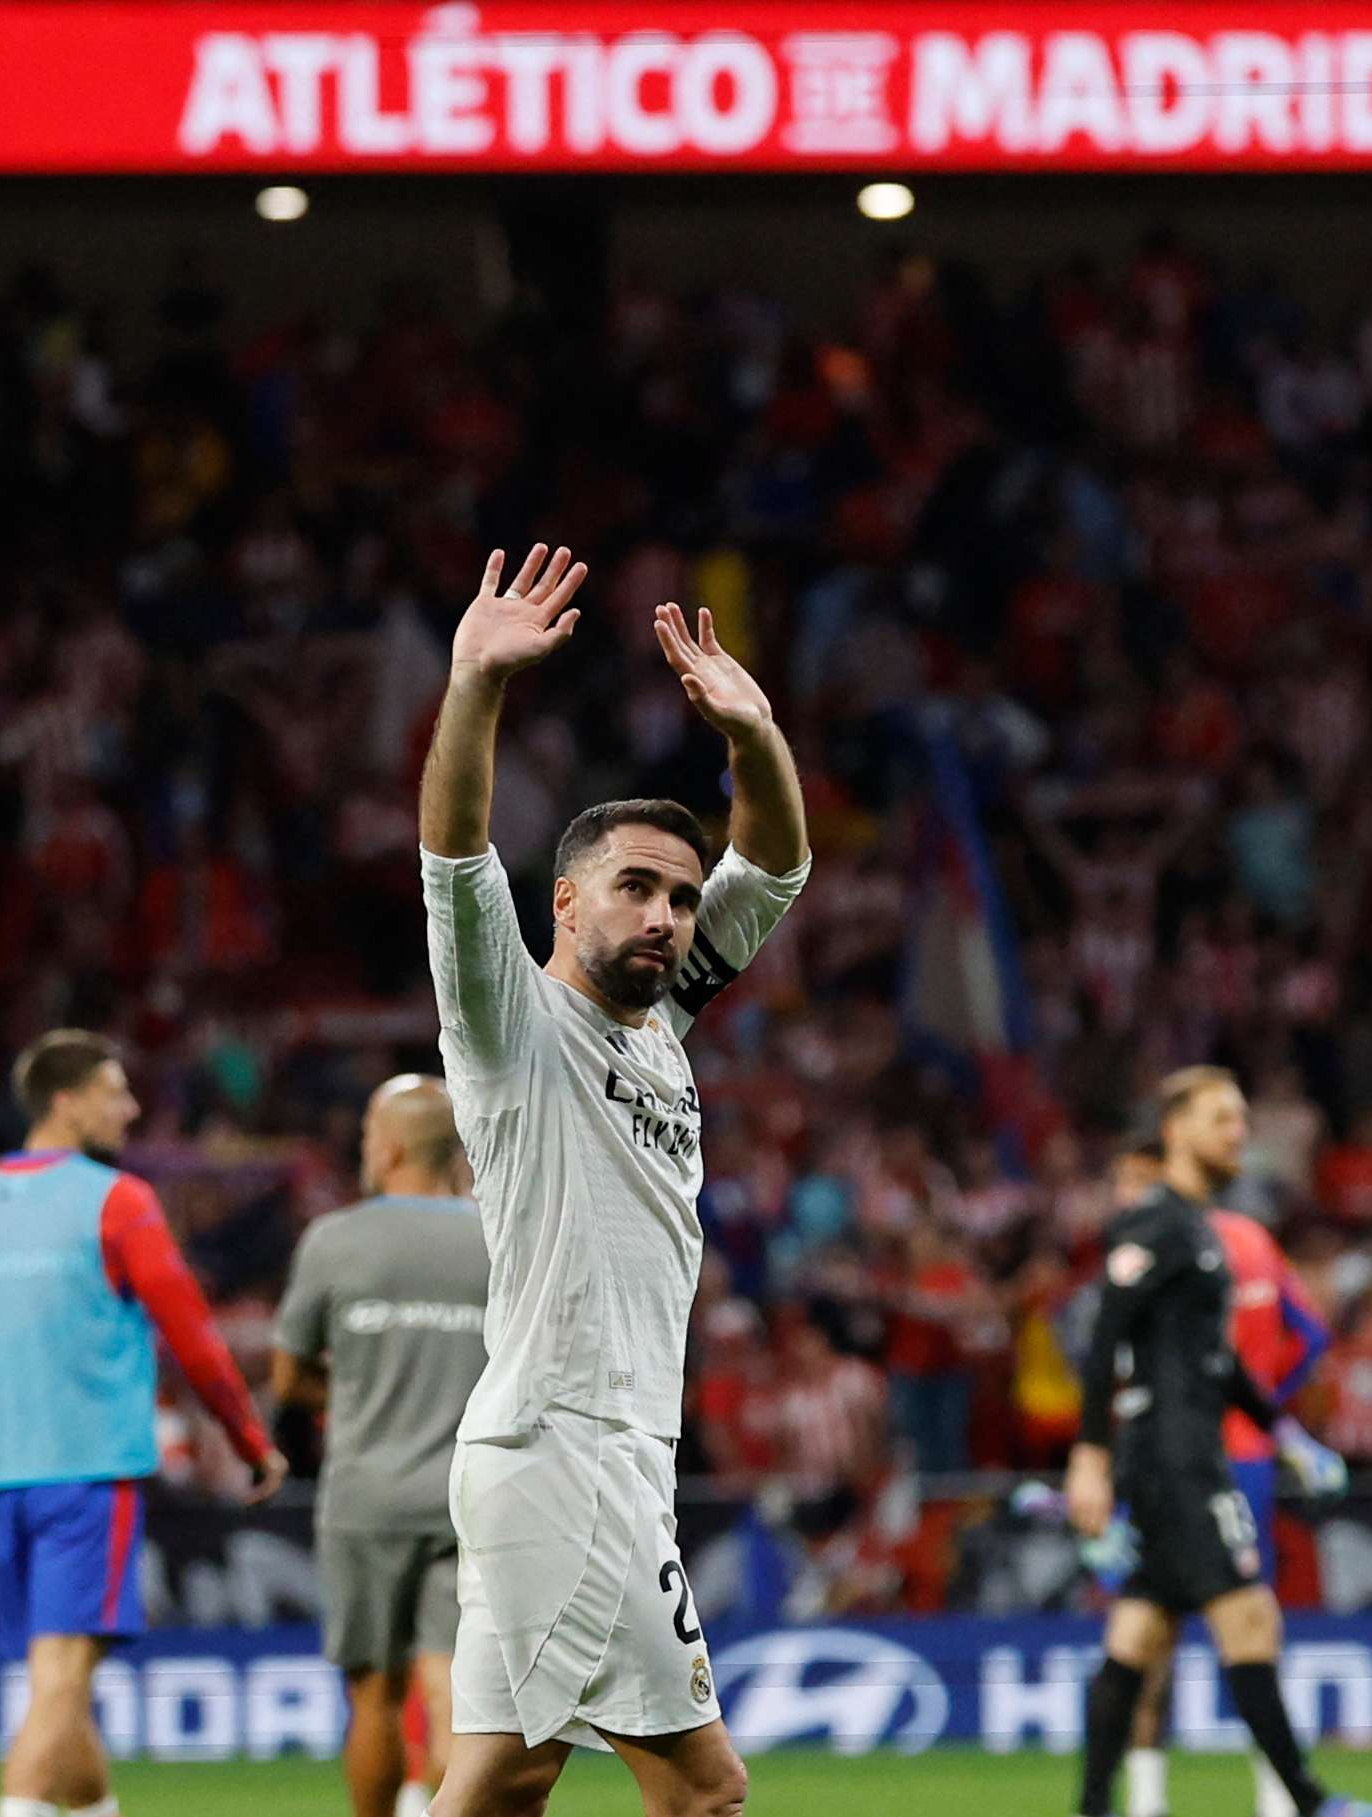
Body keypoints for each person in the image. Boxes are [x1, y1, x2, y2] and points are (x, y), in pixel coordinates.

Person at [417, 546, 810, 1817]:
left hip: (578, 1446)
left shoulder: (662, 1024)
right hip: (567, 1444)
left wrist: (754, 735)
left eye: (682, 898)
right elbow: (452, 856)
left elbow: (781, 867)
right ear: (565, 898)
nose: (666, 916)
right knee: (705, 1790)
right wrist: (474, 686)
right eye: (635, 888)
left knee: (499, 1784)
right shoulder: (510, 1021)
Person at [0, 1030, 286, 1817]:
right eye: (115, 1090)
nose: (131, 1108)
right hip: (86, 1471)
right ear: (66, 1102)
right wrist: (251, 1441)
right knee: (64, 1673)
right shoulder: (118, 1200)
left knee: (56, 1679)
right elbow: (192, 1335)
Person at [1065, 1067, 1372, 1817]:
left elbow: (1218, 1364)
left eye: (1242, 1118)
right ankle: (1313, 1803)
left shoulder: (1204, 1231)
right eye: (1222, 1117)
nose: (1239, 1132)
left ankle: (1091, 1808)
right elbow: (1105, 1340)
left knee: (1138, 1630)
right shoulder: (1154, 1220)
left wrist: (1288, 1436)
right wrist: (1089, 1457)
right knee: (1249, 1618)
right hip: (1177, 1458)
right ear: (1176, 1127)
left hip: (1181, 1450)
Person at [273, 1075, 491, 1817]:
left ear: (391, 1145)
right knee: (457, 1687)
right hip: (472, 1497)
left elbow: (288, 1376)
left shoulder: (333, 1240)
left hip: (366, 1497)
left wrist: (356, 1399)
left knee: (374, 1694)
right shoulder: (501, 1235)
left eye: (369, 1132)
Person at [1120, 1141, 1339, 1817]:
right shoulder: (1253, 1242)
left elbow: (1116, 1354)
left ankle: (1145, 1801)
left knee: (1150, 1627)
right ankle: (1277, 1797)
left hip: (1163, 1454)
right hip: (1240, 1459)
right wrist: (1275, 1410)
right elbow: (1310, 1334)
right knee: (1250, 1627)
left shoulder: (1144, 1245)